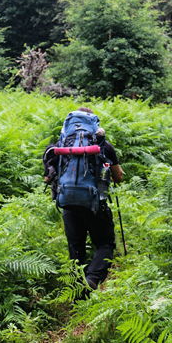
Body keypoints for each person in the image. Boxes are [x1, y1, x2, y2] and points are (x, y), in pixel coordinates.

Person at [43, 107, 123, 290]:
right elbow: (118, 178)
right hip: (94, 203)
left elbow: (48, 177)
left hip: (68, 202)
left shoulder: (59, 146)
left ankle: (76, 291)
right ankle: (93, 279)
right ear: (93, 124)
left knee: (76, 247)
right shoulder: (104, 145)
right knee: (105, 243)